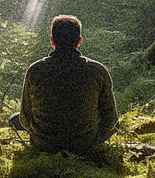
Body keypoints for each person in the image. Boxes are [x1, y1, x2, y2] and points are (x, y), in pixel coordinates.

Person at [9, 15, 119, 155]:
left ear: (52, 41)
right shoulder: (97, 70)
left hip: (45, 145)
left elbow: (25, 118)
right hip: (84, 145)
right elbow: (112, 120)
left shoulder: (35, 70)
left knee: (14, 118)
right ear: (79, 41)